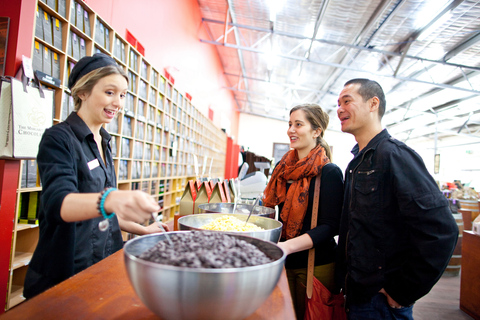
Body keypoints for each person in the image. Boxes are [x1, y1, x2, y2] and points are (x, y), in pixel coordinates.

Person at [24, 53, 169, 299]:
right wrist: (110, 199)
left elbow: (105, 212)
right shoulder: (58, 138)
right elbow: (57, 204)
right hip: (62, 275)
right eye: (110, 92)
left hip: (101, 266)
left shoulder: (104, 141)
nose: (118, 103)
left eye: (123, 95)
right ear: (83, 92)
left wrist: (142, 230)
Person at [335, 78, 458, 319]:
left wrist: (402, 291)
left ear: (373, 104)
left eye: (347, 101)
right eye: (338, 103)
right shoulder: (358, 162)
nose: (339, 109)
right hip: (357, 294)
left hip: (381, 302)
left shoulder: (394, 156)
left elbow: (442, 231)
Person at [263, 103, 344, 319]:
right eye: (290, 124)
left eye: (298, 124)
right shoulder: (284, 169)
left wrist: (287, 247)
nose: (291, 130)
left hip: (316, 264)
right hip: (285, 260)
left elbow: (330, 227)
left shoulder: (329, 172)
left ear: (316, 131)